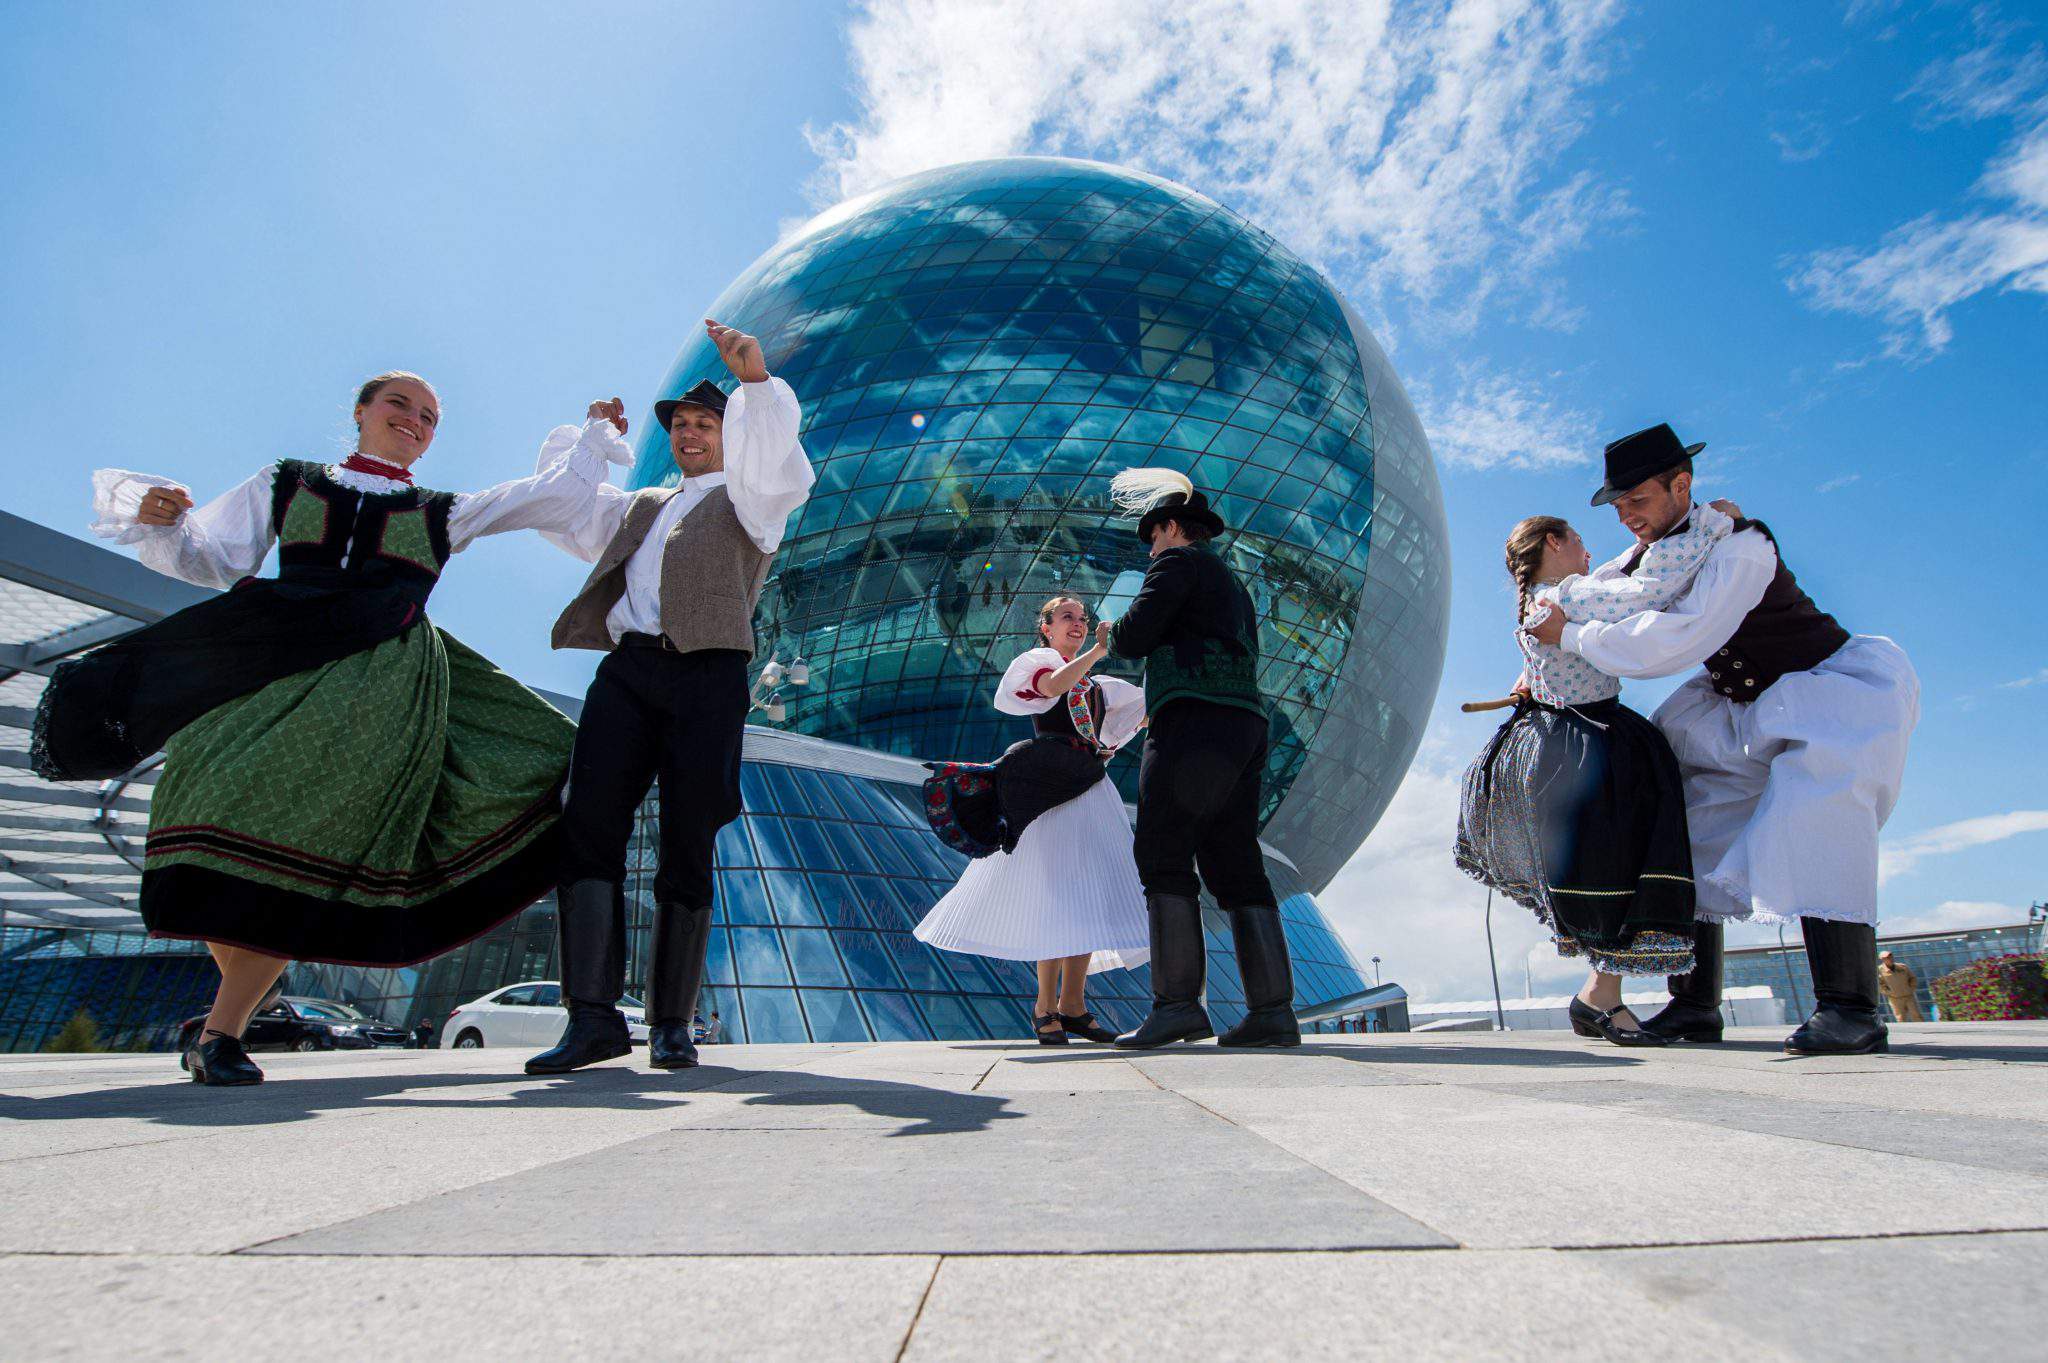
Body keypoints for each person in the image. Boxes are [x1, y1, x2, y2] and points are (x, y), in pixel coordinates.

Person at [31, 371, 626, 1085]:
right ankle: (249, 988)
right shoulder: (289, 481)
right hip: (267, 666)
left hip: (376, 694)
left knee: (312, 841)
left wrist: (592, 437)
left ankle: (220, 1034)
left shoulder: (443, 512)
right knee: (197, 808)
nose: (414, 420)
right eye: (399, 404)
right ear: (362, 412)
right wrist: (166, 522)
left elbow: (547, 498)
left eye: (429, 416)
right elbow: (215, 557)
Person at [1528, 423, 1919, 1056]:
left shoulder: (1741, 547)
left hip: (1822, 694)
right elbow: (1596, 598)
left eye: (1638, 500)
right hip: (1740, 705)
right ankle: (1694, 1006)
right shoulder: (1648, 558)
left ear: (1681, 485)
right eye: (1618, 505)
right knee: (1692, 831)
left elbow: (1678, 638)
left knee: (1820, 821)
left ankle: (1851, 1010)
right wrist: (1542, 659)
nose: (1627, 517)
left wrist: (1567, 637)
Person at [524, 320, 813, 1076]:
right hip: (628, 673)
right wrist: (589, 439)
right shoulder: (642, 506)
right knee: (588, 824)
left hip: (708, 675)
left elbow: (779, 465)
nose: (688, 433)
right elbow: (564, 508)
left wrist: (754, 382)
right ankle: (591, 1017)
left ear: (729, 434)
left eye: (704, 424)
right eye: (680, 424)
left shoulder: (752, 501)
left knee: (689, 837)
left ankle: (671, 1024)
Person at [1458, 507, 1737, 1045]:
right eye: (1578, 540)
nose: (1589, 552)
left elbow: (1617, 574)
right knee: (1625, 868)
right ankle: (1599, 997)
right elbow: (1644, 592)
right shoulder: (1567, 596)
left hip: (1579, 744)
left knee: (1620, 869)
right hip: (1594, 749)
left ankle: (1599, 995)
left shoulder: (1547, 598)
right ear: (1554, 541)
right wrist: (1705, 526)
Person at [1098, 468, 1299, 1049]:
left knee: (1162, 851)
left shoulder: (1175, 565)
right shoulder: (1233, 584)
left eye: (1152, 536)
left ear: (1169, 527)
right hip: (1244, 724)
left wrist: (1112, 631)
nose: (1150, 549)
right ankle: (1273, 1012)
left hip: (1192, 721)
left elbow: (1134, 638)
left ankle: (1179, 1005)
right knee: (1234, 859)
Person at [914, 596, 1150, 1044]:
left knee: (1090, 892)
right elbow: (1053, 687)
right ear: (1046, 628)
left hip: (1088, 786)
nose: (1078, 624)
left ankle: (1074, 1006)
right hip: (1048, 787)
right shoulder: (1039, 663)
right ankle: (1046, 1006)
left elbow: (1142, 714)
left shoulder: (1102, 686)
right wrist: (1097, 651)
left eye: (1082, 618)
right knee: (1057, 891)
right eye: (1067, 617)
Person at [1877, 951, 1925, 1022]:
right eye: (1887, 958)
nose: (1890, 959)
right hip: (1895, 998)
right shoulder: (1879, 970)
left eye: (1890, 956)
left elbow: (1912, 978)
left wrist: (1911, 989)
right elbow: (1879, 984)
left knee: (1916, 1015)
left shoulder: (1902, 967)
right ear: (1883, 959)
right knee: (1900, 1018)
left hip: (1908, 996)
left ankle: (1923, 1028)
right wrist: (1889, 992)